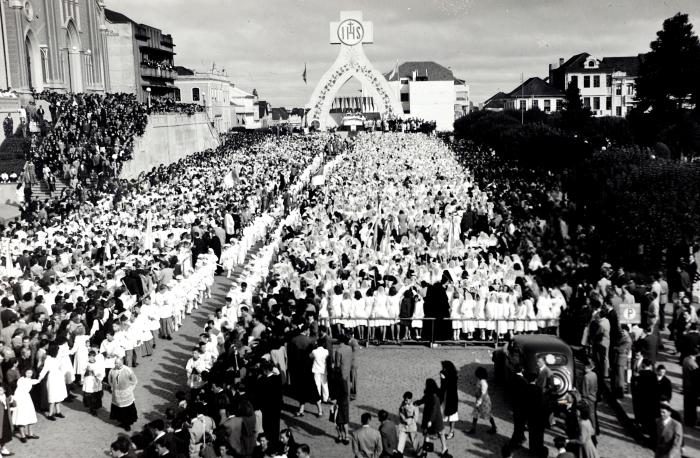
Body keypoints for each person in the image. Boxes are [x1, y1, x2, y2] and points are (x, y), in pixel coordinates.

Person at [415, 378, 447, 456]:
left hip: (432, 419)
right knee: (440, 433)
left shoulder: (432, 396)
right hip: (435, 419)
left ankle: (424, 451)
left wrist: (430, 420)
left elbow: (434, 409)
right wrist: (417, 403)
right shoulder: (433, 395)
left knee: (429, 434)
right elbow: (424, 401)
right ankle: (444, 448)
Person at [108, 356, 138, 431]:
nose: (115, 364)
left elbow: (134, 380)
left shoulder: (127, 370)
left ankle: (127, 424)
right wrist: (112, 387)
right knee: (119, 408)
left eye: (117, 363)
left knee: (127, 409)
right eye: (115, 363)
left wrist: (130, 389)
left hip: (126, 394)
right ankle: (122, 421)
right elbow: (109, 379)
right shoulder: (112, 370)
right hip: (117, 394)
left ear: (122, 363)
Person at [12, 369, 41, 442]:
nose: (29, 374)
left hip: (27, 399)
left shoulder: (30, 380)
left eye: (31, 373)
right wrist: (15, 399)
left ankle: (30, 434)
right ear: (24, 372)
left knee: (30, 415)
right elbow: (18, 390)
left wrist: (41, 375)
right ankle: (23, 436)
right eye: (27, 372)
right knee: (21, 416)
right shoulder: (21, 380)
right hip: (20, 399)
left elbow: (37, 381)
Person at [467, 366, 497, 435]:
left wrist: (479, 402)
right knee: (476, 414)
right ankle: (473, 428)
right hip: (481, 400)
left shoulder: (483, 383)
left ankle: (494, 427)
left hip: (483, 401)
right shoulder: (480, 380)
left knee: (487, 414)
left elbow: (482, 393)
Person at [439, 360, 459, 439]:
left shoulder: (445, 375)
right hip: (452, 397)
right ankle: (451, 431)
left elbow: (443, 386)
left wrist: (443, 379)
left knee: (443, 414)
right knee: (452, 416)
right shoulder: (454, 374)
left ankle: (443, 431)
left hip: (447, 396)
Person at [580, 359, 599, 436]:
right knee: (592, 415)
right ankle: (594, 430)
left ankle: (589, 431)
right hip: (593, 397)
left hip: (587, 398)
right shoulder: (594, 374)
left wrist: (583, 398)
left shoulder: (586, 377)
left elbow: (584, 390)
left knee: (587, 415)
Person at [682, 347, 698, 427]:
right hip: (692, 388)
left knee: (687, 404)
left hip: (685, 384)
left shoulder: (685, 359)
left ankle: (686, 419)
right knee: (692, 405)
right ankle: (691, 421)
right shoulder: (693, 364)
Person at [0, 387, 12, 456]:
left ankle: (3, 448)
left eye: (0, 390)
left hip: (5, 418)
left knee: (5, 433)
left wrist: (11, 399)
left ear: (4, 391)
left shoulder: (4, 397)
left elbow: (12, 404)